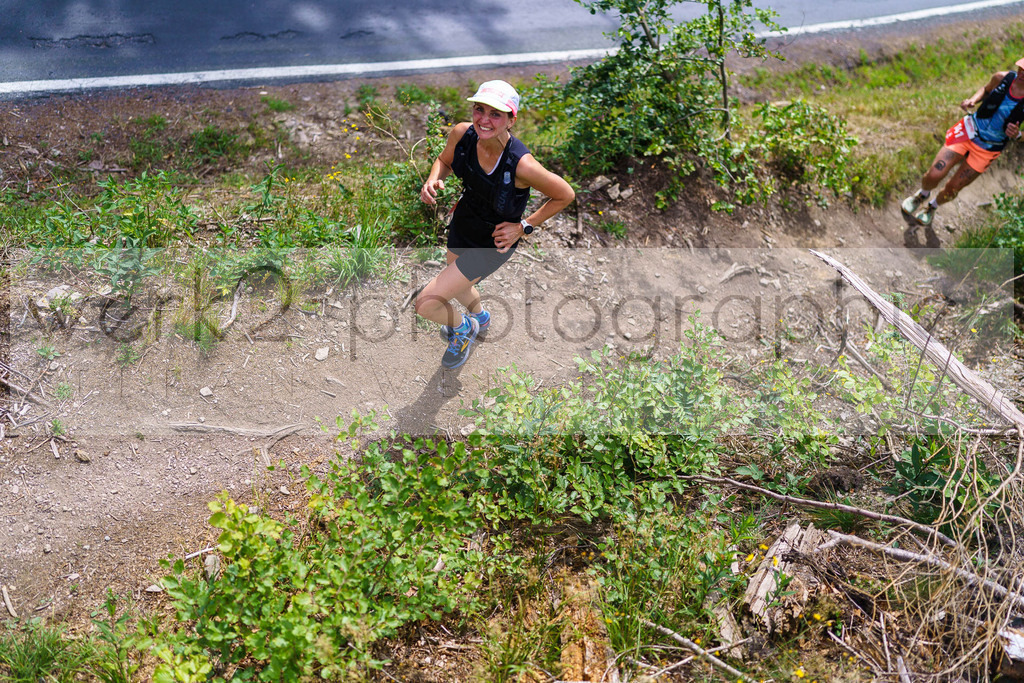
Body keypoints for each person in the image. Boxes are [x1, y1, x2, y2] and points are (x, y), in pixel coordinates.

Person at [417, 80, 575, 369]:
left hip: (494, 242)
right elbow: (444, 161)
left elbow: (565, 195)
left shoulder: (522, 164)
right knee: (461, 286)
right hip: (465, 222)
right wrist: (432, 179)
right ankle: (481, 318)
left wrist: (524, 226)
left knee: (426, 304)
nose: (484, 120)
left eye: (496, 114)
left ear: (511, 120)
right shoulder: (462, 134)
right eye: (479, 109)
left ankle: (463, 327)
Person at [902, 58, 1024, 227]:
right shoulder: (1002, 78)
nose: (1022, 73)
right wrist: (972, 100)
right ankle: (922, 194)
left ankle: (932, 207)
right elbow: (986, 89)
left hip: (989, 149)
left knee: (952, 189)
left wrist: (1018, 135)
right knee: (933, 175)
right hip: (968, 131)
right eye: (1021, 68)